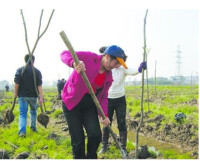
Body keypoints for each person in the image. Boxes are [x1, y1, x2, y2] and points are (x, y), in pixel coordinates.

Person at [60, 45, 128, 159]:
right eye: (116, 63)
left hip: (89, 105)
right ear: (107, 57)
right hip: (72, 102)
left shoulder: (109, 77)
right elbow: (64, 53)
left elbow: (104, 97)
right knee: (78, 140)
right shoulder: (89, 57)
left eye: (119, 65)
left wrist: (104, 115)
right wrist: (74, 63)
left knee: (95, 135)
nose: (116, 67)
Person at [98, 46, 147, 156]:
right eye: (118, 62)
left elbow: (133, 71)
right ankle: (104, 146)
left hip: (120, 99)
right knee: (106, 122)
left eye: (121, 63)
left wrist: (140, 68)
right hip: (108, 99)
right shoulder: (107, 68)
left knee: (121, 123)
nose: (118, 65)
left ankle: (122, 148)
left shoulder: (123, 69)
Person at [14, 54, 43, 137]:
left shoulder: (20, 70)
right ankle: (33, 127)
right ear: (33, 61)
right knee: (33, 112)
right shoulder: (37, 71)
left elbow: (17, 83)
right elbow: (39, 85)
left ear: (25, 60)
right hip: (33, 96)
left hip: (22, 96)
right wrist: (41, 96)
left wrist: (15, 93)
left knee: (23, 113)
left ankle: (22, 132)